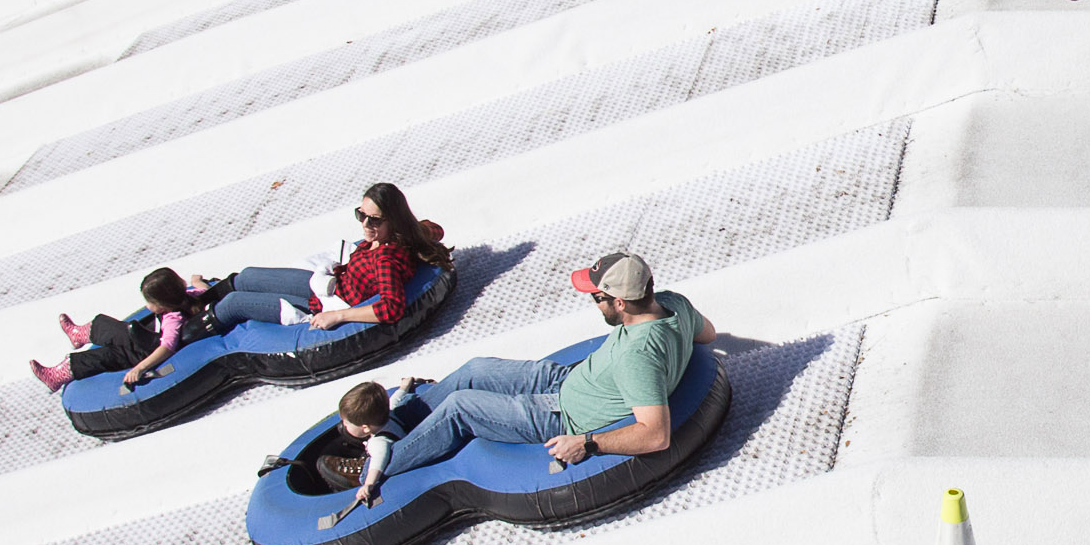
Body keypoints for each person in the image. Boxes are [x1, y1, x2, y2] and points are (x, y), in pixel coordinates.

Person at [380, 251, 714, 479]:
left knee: (459, 408)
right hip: (571, 379)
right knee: (475, 369)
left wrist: (587, 443)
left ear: (620, 302)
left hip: (563, 416)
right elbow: (707, 334)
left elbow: (656, 435)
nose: (594, 304)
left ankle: (381, 462)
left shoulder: (638, 357)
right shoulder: (673, 303)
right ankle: (396, 422)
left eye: (597, 298)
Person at [204, 182, 451, 333]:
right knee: (247, 277)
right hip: (329, 284)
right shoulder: (397, 234)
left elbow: (391, 308)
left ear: (393, 220)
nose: (365, 224)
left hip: (328, 303)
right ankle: (196, 302)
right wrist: (422, 232)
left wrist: (337, 316)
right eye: (361, 214)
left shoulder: (386, 259)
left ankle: (179, 336)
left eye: (374, 220)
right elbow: (434, 229)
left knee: (235, 303)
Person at [30, 266, 203, 393]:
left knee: (106, 355)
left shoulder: (174, 319)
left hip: (145, 353)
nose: (147, 306)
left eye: (150, 302)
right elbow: (204, 290)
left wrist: (139, 368)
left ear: (163, 303)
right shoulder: (190, 297)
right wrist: (197, 281)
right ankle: (79, 335)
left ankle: (56, 376)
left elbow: (167, 347)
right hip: (148, 342)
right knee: (113, 328)